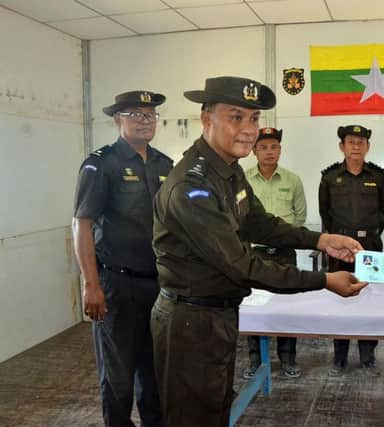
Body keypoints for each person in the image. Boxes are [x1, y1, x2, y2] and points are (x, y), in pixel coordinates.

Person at [150, 76, 368, 427]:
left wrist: (320, 240)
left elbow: (260, 223)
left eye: (253, 119)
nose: (249, 130)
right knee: (192, 418)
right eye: (236, 117)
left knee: (215, 411)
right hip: (189, 323)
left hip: (216, 316)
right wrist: (324, 279)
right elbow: (241, 266)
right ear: (207, 120)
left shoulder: (229, 172)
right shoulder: (192, 187)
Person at [72, 90, 172, 426]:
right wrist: (91, 285)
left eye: (151, 115)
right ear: (118, 120)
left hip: (158, 285)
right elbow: (81, 224)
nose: (145, 121)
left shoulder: (164, 164)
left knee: (155, 374)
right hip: (116, 284)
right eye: (136, 114)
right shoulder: (101, 163)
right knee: (117, 378)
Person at [319, 125, 384, 377]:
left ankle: (368, 357)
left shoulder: (379, 177)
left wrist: (366, 237)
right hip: (339, 250)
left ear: (367, 146)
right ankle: (339, 357)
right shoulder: (329, 178)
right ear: (342, 146)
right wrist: (338, 241)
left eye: (361, 142)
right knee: (339, 301)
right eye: (351, 142)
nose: (356, 146)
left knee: (370, 302)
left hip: (369, 247)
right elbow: (325, 214)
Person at [243, 127, 307, 379]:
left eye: (274, 147)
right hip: (255, 255)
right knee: (253, 308)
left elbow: (299, 217)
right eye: (264, 147)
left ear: (280, 150)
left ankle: (288, 359)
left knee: (287, 308)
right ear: (254, 151)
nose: (269, 152)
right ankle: (255, 360)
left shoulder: (292, 180)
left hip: (284, 254)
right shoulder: (244, 180)